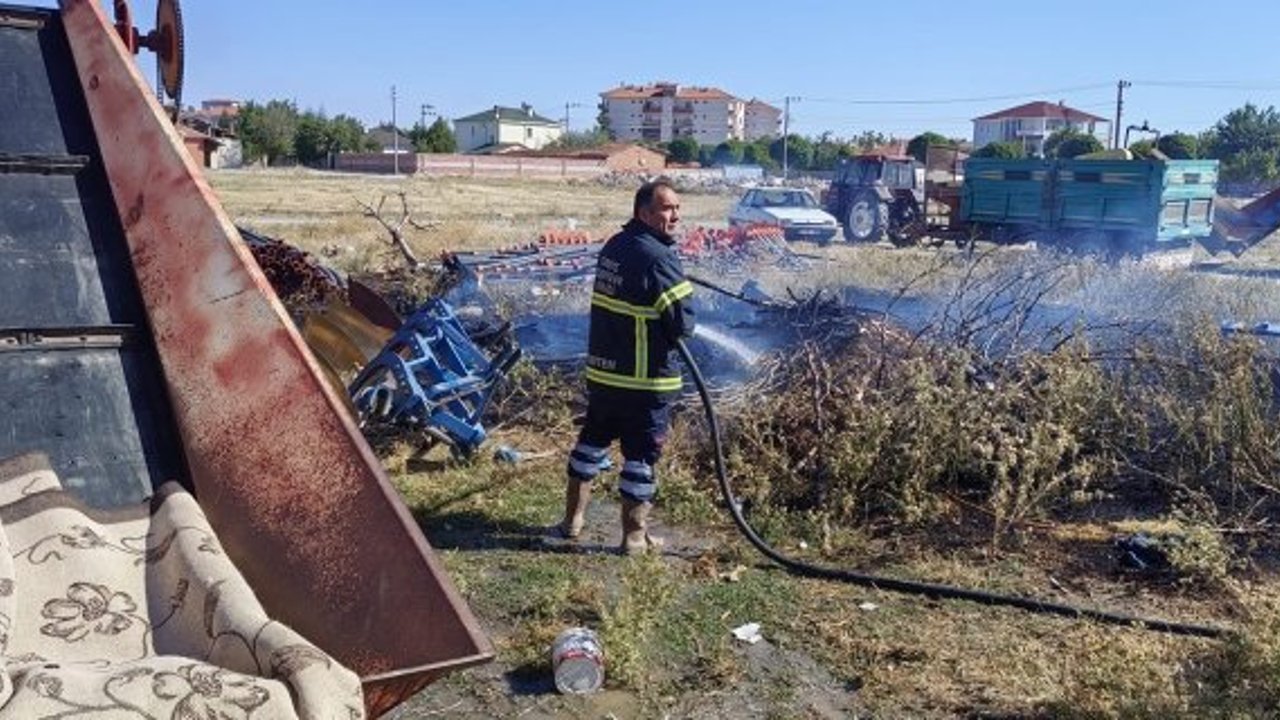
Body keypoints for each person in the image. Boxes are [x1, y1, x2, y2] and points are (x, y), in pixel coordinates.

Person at [555, 178, 694, 555]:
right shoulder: (659, 257)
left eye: (677, 208)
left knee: (590, 445)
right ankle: (634, 538)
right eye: (667, 208)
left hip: (605, 375)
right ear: (644, 213)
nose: (675, 216)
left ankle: (571, 522)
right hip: (644, 381)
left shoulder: (614, 246)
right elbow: (683, 323)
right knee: (641, 460)